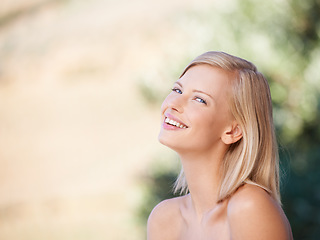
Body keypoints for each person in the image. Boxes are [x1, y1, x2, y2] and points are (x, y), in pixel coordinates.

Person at [147, 51, 293, 240]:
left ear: (233, 131)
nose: (173, 103)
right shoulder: (165, 219)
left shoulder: (249, 207)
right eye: (177, 90)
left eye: (200, 99)